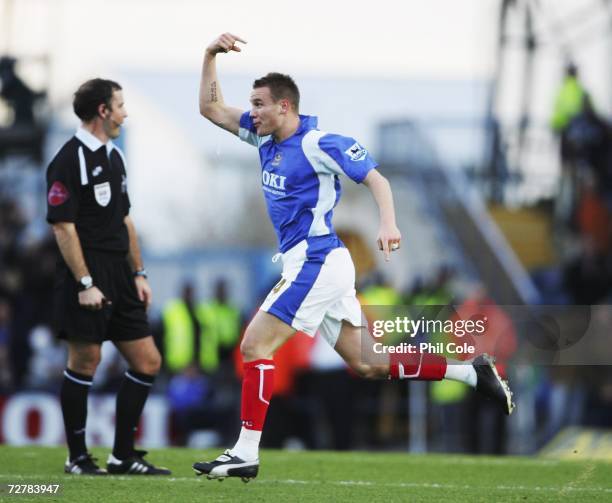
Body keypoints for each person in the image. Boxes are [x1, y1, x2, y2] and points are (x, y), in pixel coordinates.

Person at [193, 33, 515, 482]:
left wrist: (388, 223)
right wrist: (210, 56)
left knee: (254, 346)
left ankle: (245, 451)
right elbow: (210, 109)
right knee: (369, 364)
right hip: (314, 264)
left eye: (260, 104)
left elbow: (377, 179)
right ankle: (469, 373)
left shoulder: (319, 142)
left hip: (317, 260)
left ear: (285, 106)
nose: (253, 112)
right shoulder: (262, 138)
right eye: (251, 104)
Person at [46, 78, 170, 476]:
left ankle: (122, 455)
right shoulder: (68, 160)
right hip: (88, 271)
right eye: (120, 104)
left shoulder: (115, 157)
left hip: (121, 273)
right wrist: (85, 283)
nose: (125, 112)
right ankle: (77, 457)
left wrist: (139, 272)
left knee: (148, 360)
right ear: (103, 110)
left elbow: (125, 219)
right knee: (87, 358)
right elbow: (63, 228)